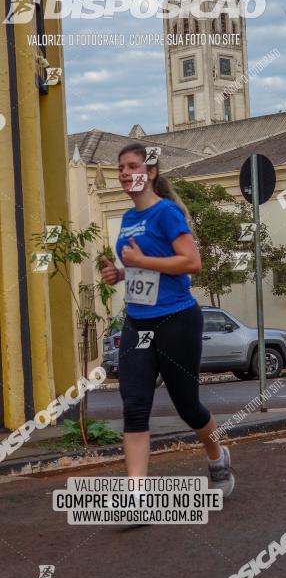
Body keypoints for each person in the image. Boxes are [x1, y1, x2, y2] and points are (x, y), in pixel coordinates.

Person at [99, 144, 234, 496]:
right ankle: (137, 496)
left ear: (151, 173)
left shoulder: (167, 213)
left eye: (133, 166)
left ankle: (217, 456)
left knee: (188, 406)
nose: (126, 173)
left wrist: (141, 263)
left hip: (176, 320)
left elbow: (191, 263)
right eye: (121, 168)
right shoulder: (128, 219)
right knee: (135, 406)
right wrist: (122, 274)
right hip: (138, 322)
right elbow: (142, 265)